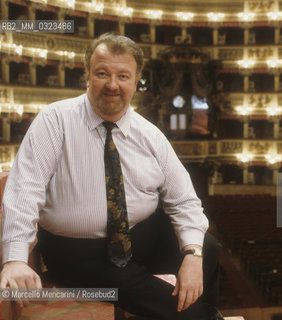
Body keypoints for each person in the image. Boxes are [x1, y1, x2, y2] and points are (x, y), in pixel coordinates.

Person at [0, 33, 222, 320]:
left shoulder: (149, 134)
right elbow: (23, 191)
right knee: (186, 313)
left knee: (209, 249)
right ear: (88, 76)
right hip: (78, 253)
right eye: (102, 74)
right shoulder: (54, 120)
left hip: (139, 237)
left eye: (123, 76)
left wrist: (192, 256)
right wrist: (15, 259)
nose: (112, 85)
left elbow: (185, 201)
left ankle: (201, 311)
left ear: (136, 81)